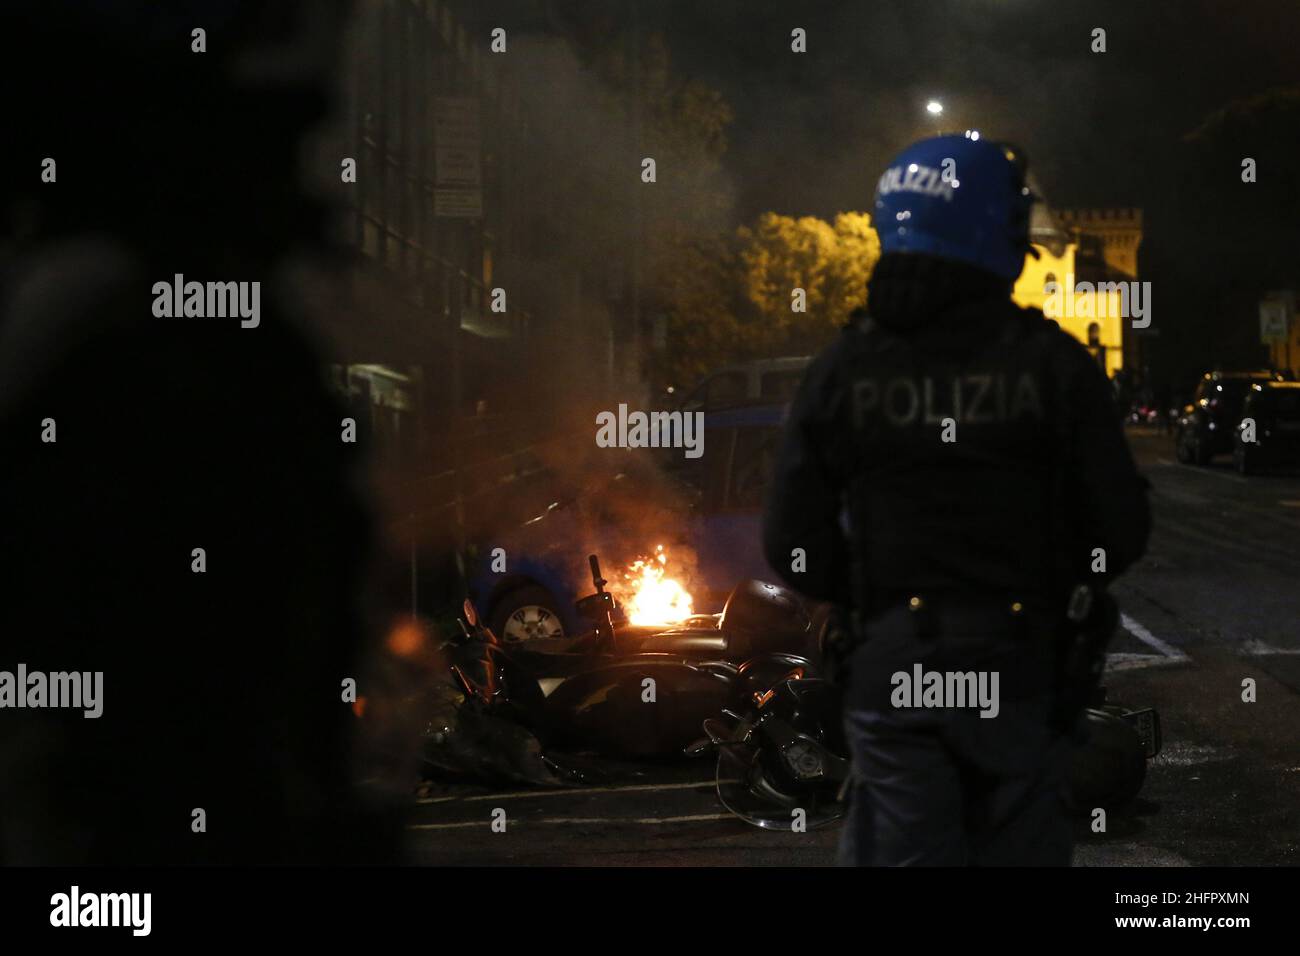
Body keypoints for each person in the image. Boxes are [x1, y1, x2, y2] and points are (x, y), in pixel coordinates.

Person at [762, 134, 1150, 866]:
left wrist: (878, 598)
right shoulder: (1055, 366)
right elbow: (1121, 531)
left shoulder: (844, 368)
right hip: (1020, 665)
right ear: (997, 237)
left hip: (896, 668)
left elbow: (792, 546)